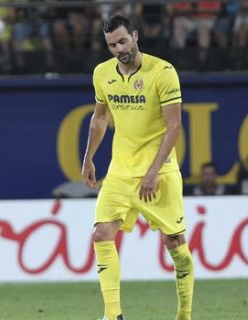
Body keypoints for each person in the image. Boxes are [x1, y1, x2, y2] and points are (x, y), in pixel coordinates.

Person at [82, 14, 194, 320]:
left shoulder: (162, 71)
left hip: (158, 171)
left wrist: (154, 171)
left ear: (135, 35)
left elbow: (174, 127)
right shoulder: (102, 73)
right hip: (120, 171)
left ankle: (184, 312)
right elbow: (100, 117)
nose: (118, 49)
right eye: (111, 45)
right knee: (101, 234)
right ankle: (112, 315)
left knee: (175, 243)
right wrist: (89, 156)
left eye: (122, 41)